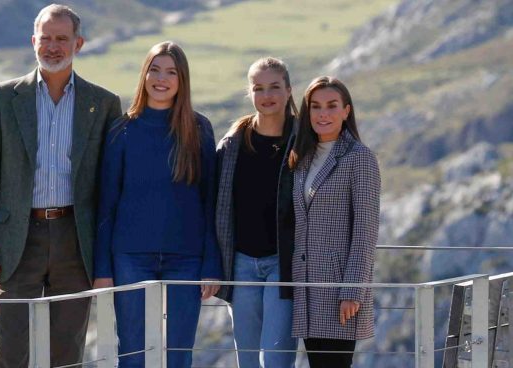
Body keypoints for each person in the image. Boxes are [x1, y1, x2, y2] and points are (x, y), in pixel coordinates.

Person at [0, 4, 122, 367]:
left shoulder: (103, 104)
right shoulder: (4, 98)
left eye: (62, 39)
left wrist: (107, 255)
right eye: (46, 38)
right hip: (16, 240)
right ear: (32, 41)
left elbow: (111, 187)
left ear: (78, 44)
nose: (53, 47)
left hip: (75, 239)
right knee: (11, 347)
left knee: (67, 350)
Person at [93, 41, 222, 368]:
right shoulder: (122, 130)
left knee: (179, 355)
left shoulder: (199, 128)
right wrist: (102, 269)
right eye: (155, 69)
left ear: (182, 80)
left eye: (171, 72)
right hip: (131, 256)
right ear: (144, 74)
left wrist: (211, 263)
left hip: (187, 258)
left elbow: (210, 202)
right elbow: (106, 203)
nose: (161, 78)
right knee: (133, 353)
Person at [289, 76, 380, 367]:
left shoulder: (360, 158)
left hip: (339, 289)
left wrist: (353, 291)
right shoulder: (302, 158)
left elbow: (366, 232)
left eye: (331, 106)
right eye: (315, 107)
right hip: (305, 287)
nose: (323, 114)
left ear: (346, 111)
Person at [215, 57, 298, 367]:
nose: (267, 95)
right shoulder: (233, 143)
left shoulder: (304, 140)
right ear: (249, 93)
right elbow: (217, 207)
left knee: (277, 360)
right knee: (247, 360)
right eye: (258, 88)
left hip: (284, 263)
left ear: (289, 90)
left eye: (274, 87)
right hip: (241, 263)